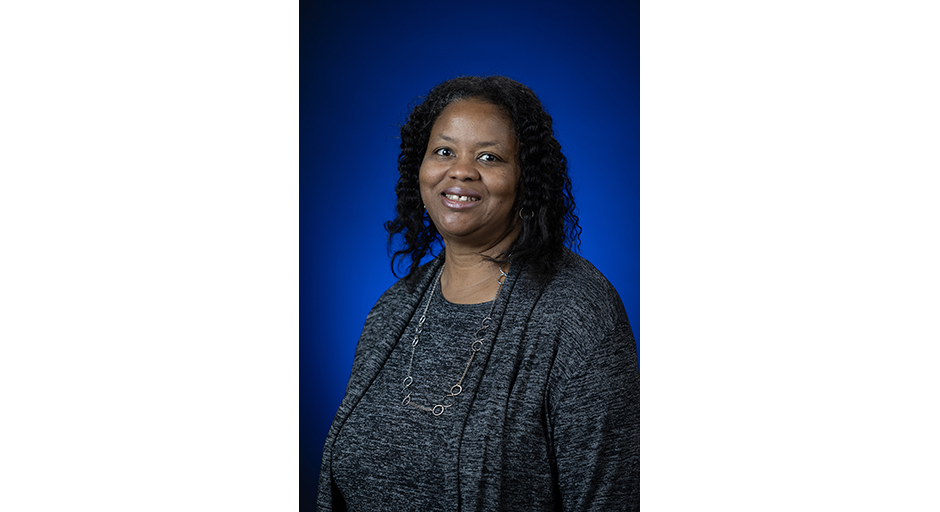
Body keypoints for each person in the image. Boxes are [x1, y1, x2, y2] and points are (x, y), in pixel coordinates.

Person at [318, 76, 639, 511]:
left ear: (526, 178)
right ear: (421, 166)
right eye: (444, 151)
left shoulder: (577, 312)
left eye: (489, 157)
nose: (461, 170)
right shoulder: (394, 310)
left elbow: (611, 499)